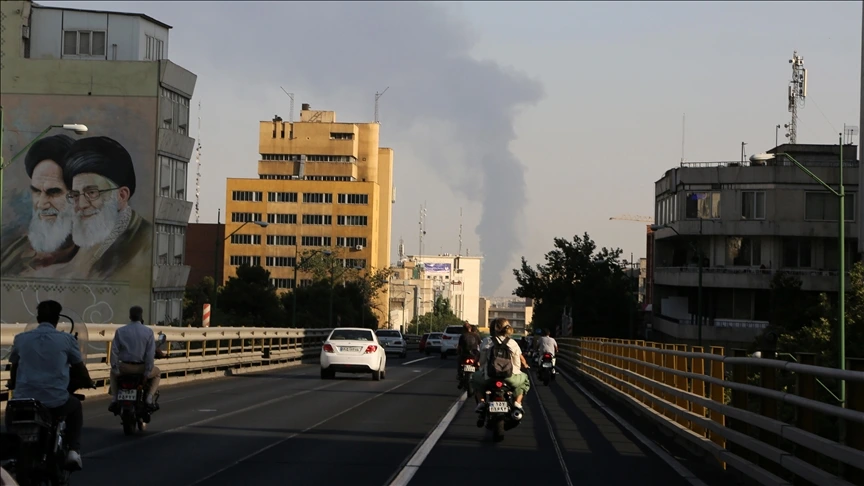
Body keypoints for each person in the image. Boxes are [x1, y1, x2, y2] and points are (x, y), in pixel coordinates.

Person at [6, 300, 92, 471]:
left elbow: (14, 365)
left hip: (25, 399)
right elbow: (79, 366)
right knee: (75, 407)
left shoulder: (21, 339)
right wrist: (87, 381)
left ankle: (12, 453)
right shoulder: (67, 340)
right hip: (55, 401)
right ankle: (73, 451)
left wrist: (14, 384)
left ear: (38, 318)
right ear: (57, 320)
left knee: (11, 412)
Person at [62, 136, 151, 280]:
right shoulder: (71, 244)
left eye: (92, 193)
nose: (82, 204)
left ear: (121, 196)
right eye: (76, 195)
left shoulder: (145, 244)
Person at [0, 134, 78, 277]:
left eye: (53, 192)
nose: (41, 204)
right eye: (36, 191)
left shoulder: (96, 260)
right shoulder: (10, 252)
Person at [108, 306, 161, 413]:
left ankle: (114, 398)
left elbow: (114, 352)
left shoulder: (120, 331)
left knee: (112, 373)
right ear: (141, 316)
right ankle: (149, 397)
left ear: (130, 316)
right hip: (141, 368)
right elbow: (150, 355)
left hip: (125, 367)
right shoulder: (148, 332)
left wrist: (116, 369)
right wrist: (147, 373)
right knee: (157, 372)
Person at [471, 318, 530, 412]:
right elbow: (520, 359)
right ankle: (518, 403)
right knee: (524, 381)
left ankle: (481, 401)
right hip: (511, 376)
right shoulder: (513, 342)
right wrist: (525, 365)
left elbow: (481, 361)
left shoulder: (486, 341)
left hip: (489, 376)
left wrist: (479, 366)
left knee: (475, 380)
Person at [455, 321, 481, 388]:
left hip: (465, 355)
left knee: (459, 363)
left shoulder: (462, 336)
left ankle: (460, 375)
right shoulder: (476, 335)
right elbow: (480, 345)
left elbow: (459, 347)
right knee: (478, 366)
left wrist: (458, 352)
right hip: (474, 355)